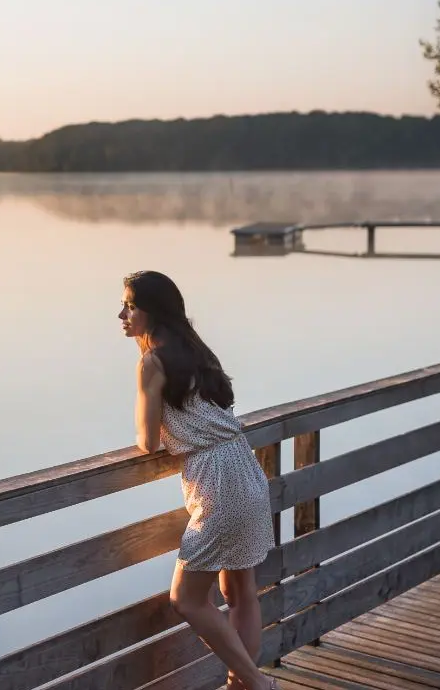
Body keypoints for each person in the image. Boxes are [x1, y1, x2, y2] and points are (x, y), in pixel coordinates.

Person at [118, 270, 278, 690]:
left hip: (217, 482)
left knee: (186, 599)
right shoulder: (197, 350)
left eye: (130, 306)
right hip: (245, 469)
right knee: (239, 588)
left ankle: (257, 684)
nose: (122, 314)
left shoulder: (151, 362)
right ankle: (242, 685)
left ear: (152, 311)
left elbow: (148, 442)